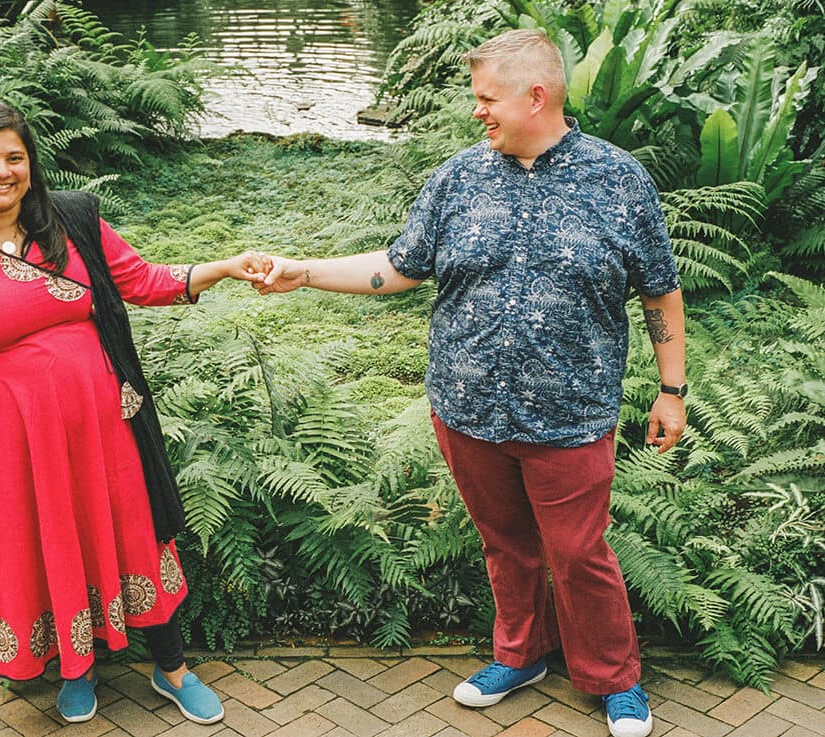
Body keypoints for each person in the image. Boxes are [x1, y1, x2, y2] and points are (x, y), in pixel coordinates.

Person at [255, 29, 686, 737]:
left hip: (571, 415)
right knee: (504, 542)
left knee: (579, 552)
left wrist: (673, 390)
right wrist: (304, 270)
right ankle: (521, 655)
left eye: (487, 98)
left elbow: (660, 292)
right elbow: (400, 266)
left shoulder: (618, 180)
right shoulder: (458, 177)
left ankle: (614, 676)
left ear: (535, 96)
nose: (477, 112)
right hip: (467, 409)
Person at [0, 102, 269, 726]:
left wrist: (226, 268)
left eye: (14, 158)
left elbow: (144, 280)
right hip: (6, 445)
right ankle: (76, 669)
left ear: (30, 163)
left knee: (131, 534)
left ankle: (172, 667)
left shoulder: (69, 222)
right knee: (44, 545)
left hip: (102, 431)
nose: (1, 172)